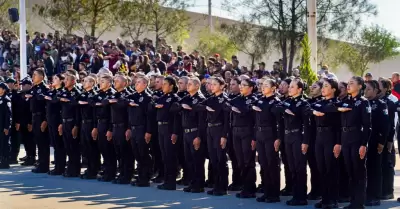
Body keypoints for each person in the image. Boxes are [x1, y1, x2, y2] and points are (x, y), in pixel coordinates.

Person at [275, 78, 311, 206]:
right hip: (287, 136)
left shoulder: (303, 103)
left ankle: (301, 197)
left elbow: (307, 124)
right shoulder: (287, 101)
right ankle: (295, 194)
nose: (289, 89)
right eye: (289, 86)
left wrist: (305, 141)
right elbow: (276, 109)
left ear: (299, 89)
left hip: (298, 136)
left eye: (292, 87)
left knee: (299, 167)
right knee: (292, 168)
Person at [337, 76, 371, 209]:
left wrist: (364, 144)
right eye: (348, 83)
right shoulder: (345, 101)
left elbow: (367, 125)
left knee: (358, 171)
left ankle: (359, 202)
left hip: (357, 138)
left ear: (360, 86)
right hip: (345, 138)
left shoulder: (363, 102)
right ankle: (353, 201)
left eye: (352, 83)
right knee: (350, 171)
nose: (348, 85)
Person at [195, 76, 230, 196]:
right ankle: (216, 185)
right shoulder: (211, 98)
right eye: (211, 84)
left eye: (215, 84)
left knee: (221, 159)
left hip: (219, 129)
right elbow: (197, 106)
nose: (212, 86)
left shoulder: (224, 99)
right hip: (210, 129)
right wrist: (205, 107)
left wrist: (224, 135)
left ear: (222, 86)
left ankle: (222, 186)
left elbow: (227, 120)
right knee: (213, 159)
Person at [311, 78, 341, 209]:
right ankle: (324, 198)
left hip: (331, 137)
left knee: (331, 169)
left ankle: (332, 199)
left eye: (326, 86)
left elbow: (339, 124)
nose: (323, 89)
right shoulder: (319, 102)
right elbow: (308, 109)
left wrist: (338, 143)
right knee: (321, 169)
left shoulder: (337, 103)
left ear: (333, 89)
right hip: (319, 137)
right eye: (322, 86)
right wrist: (313, 111)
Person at [227, 78, 258, 198]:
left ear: (250, 88)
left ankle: (250, 188)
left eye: (244, 85)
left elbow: (255, 120)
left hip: (247, 132)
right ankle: (245, 186)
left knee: (248, 161)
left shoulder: (254, 100)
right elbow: (227, 105)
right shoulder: (237, 98)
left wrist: (254, 138)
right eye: (241, 85)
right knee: (240, 161)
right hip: (236, 132)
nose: (241, 87)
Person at [252, 79, 281, 203]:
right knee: (263, 164)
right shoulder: (259, 100)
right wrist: (254, 137)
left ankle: (274, 194)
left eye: (266, 86)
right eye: (262, 85)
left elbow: (280, 122)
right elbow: (255, 121)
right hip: (259, 134)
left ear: (274, 88)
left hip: (270, 134)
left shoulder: (276, 102)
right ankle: (266, 191)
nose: (263, 87)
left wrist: (278, 138)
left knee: (272, 164)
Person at [177, 77, 207, 193]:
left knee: (197, 160)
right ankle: (192, 182)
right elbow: (175, 107)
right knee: (189, 160)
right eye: (187, 84)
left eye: (190, 84)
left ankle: (199, 185)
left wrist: (199, 136)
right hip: (186, 132)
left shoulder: (200, 99)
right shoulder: (186, 98)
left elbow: (201, 121)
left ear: (197, 86)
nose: (188, 86)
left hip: (195, 132)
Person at [364, 80, 389, 206]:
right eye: (365, 89)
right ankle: (365, 194)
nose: (366, 91)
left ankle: (375, 196)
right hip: (363, 140)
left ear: (375, 90)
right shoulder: (363, 103)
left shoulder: (381, 104)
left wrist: (382, 142)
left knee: (374, 168)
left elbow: (385, 125)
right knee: (365, 169)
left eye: (369, 89)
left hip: (375, 140)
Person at [128, 76, 155, 187]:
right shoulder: (132, 96)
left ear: (145, 85)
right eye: (136, 82)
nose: (136, 84)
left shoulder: (147, 98)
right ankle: (140, 176)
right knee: (136, 153)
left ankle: (145, 177)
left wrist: (148, 131)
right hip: (133, 128)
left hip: (142, 128)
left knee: (143, 153)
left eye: (139, 82)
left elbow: (149, 117)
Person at [154, 76, 180, 190]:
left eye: (165, 84)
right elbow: (153, 105)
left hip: (169, 128)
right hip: (160, 128)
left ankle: (171, 181)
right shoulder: (162, 97)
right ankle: (166, 179)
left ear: (171, 86)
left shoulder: (174, 98)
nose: (163, 86)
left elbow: (175, 116)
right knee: (164, 155)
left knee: (170, 156)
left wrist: (175, 132)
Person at [93, 75, 117, 182]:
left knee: (109, 150)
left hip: (107, 123)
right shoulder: (99, 94)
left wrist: (110, 129)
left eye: (103, 82)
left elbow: (112, 114)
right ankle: (106, 171)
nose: (100, 83)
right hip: (99, 123)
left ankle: (111, 173)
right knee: (102, 148)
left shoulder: (112, 94)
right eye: (100, 81)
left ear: (109, 83)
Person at [26, 68, 50, 173]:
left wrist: (45, 120)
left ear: (41, 77)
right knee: (38, 141)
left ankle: (44, 165)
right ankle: (40, 163)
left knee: (43, 142)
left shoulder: (44, 88)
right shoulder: (34, 88)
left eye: (35, 75)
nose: (33, 77)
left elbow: (46, 106)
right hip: (34, 116)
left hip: (41, 117)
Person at [59, 73, 81, 177]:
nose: (65, 81)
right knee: (67, 146)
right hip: (64, 121)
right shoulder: (64, 92)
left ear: (73, 81)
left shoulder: (76, 93)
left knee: (74, 147)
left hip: (72, 122)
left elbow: (77, 111)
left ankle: (75, 169)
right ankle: (70, 168)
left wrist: (76, 125)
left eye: (67, 79)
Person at [78, 76, 100, 179]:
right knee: (86, 147)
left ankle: (93, 170)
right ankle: (89, 168)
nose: (84, 82)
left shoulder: (94, 95)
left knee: (92, 148)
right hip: (83, 122)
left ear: (92, 83)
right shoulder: (83, 94)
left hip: (91, 123)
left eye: (86, 81)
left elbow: (95, 112)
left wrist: (95, 127)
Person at [378, 78, 396, 200]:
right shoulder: (376, 100)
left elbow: (391, 123)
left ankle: (388, 191)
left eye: (379, 85)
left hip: (387, 139)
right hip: (378, 137)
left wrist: (390, 140)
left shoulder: (390, 102)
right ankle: (380, 190)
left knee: (387, 164)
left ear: (385, 88)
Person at [44, 74, 66, 175]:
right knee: (55, 145)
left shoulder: (62, 92)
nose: (53, 80)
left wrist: (61, 123)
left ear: (61, 81)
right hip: (51, 120)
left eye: (56, 78)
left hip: (58, 121)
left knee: (59, 144)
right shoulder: (52, 92)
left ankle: (60, 167)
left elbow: (62, 109)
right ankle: (57, 166)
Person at [277, 78, 293, 196]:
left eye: (284, 85)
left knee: (293, 162)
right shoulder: (280, 100)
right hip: (282, 134)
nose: (281, 87)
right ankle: (288, 185)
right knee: (286, 161)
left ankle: (294, 187)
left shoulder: (293, 101)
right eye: (280, 85)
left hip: (293, 134)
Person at [16, 78, 35, 166]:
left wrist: (31, 123)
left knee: (30, 140)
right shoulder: (21, 94)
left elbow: (32, 110)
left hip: (29, 121)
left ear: (29, 85)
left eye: (24, 85)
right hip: (22, 121)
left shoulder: (32, 94)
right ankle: (28, 155)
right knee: (25, 140)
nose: (22, 86)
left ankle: (32, 157)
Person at [0, 82, 11, 169]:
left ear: (3, 90)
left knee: (4, 144)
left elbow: (8, 115)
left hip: (4, 126)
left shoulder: (6, 99)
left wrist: (7, 127)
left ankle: (5, 162)